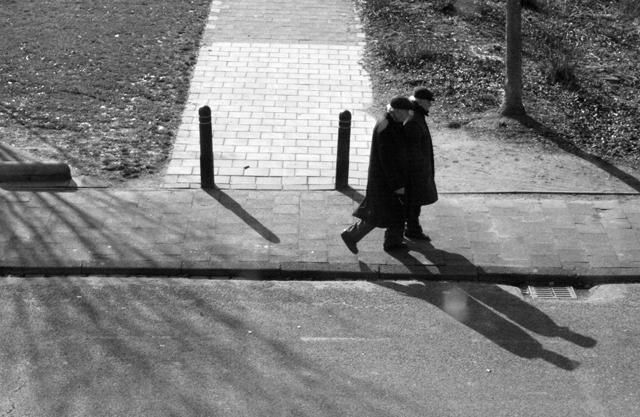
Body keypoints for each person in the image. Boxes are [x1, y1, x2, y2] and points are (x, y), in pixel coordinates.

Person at [341, 96, 414, 253]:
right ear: (398, 111)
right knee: (379, 213)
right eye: (406, 112)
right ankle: (352, 235)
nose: (408, 115)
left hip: (385, 180)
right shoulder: (387, 127)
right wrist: (398, 185)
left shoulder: (391, 122)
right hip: (385, 182)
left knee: (395, 212)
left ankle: (393, 242)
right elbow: (388, 160)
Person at [403, 87, 438, 240]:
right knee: (414, 201)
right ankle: (412, 229)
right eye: (429, 102)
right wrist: (421, 169)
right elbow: (412, 150)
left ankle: (410, 228)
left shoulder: (415, 115)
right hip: (415, 171)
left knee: (413, 201)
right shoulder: (414, 120)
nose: (430, 105)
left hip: (416, 169)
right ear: (422, 101)